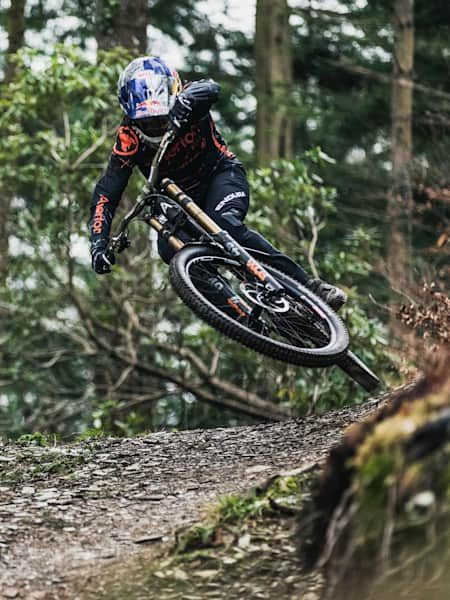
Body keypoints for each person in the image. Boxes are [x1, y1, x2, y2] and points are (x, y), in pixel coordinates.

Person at [90, 56, 346, 311]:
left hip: (221, 177)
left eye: (161, 118)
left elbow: (211, 88)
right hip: (177, 200)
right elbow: (107, 192)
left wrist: (185, 104)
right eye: (146, 122)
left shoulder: (189, 100)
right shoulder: (128, 138)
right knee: (171, 252)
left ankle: (311, 289)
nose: (155, 127)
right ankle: (239, 315)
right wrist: (98, 243)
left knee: (223, 224)